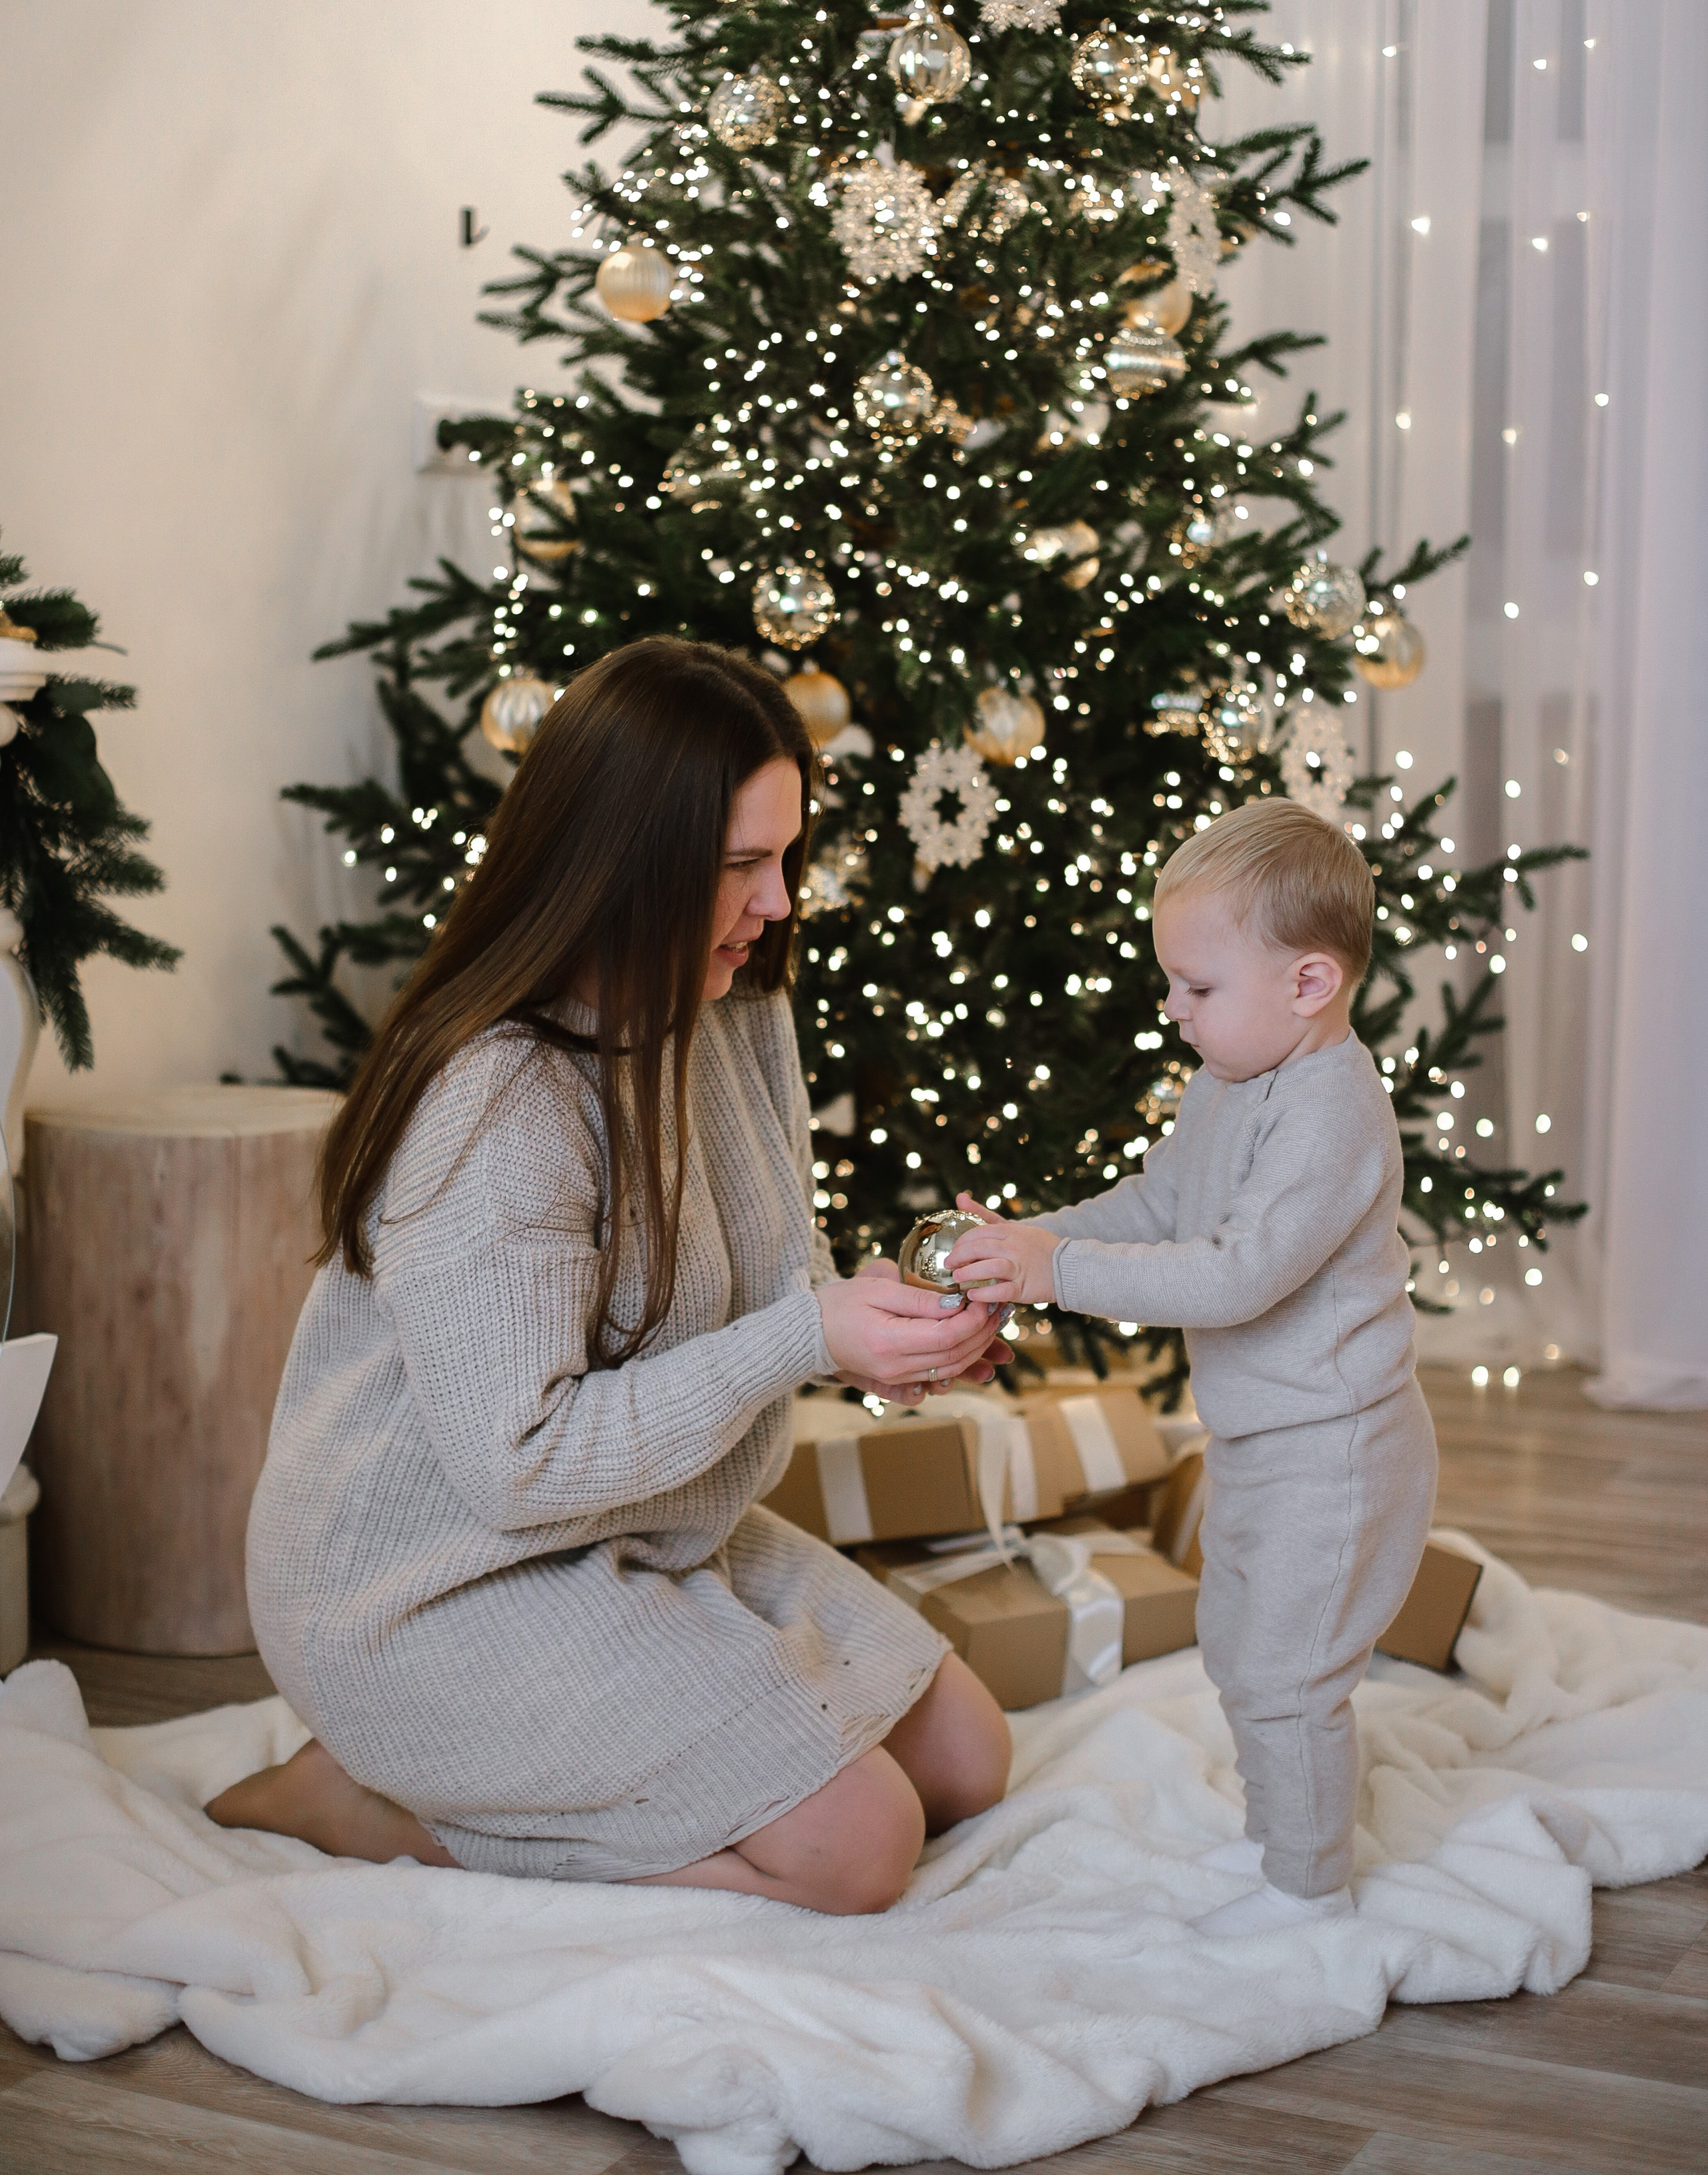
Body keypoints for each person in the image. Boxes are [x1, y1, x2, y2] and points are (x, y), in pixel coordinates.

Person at [209, 637, 1010, 1913]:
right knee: (861, 1855)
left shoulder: (732, 1003)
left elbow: (768, 1277)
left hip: (643, 1526)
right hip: (434, 1587)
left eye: (788, 855)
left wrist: (891, 1330)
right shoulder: (501, 1096)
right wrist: (807, 1339)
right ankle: (359, 1800)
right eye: (742, 866)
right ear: (622, 864)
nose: (781, 902)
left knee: (971, 1758)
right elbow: (520, 1468)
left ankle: (519, 1761)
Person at [945, 797, 1437, 1937]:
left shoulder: (1332, 1114)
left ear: (1309, 984)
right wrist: (1023, 1243)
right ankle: (1281, 1842)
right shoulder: (1227, 1085)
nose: (1173, 1010)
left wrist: (1055, 1270)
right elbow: (1160, 1206)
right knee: (1236, 1640)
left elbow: (1232, 1277)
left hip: (1339, 1444)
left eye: (1198, 988)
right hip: (1261, 1435)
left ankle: (1307, 1901)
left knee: (1289, 1673)